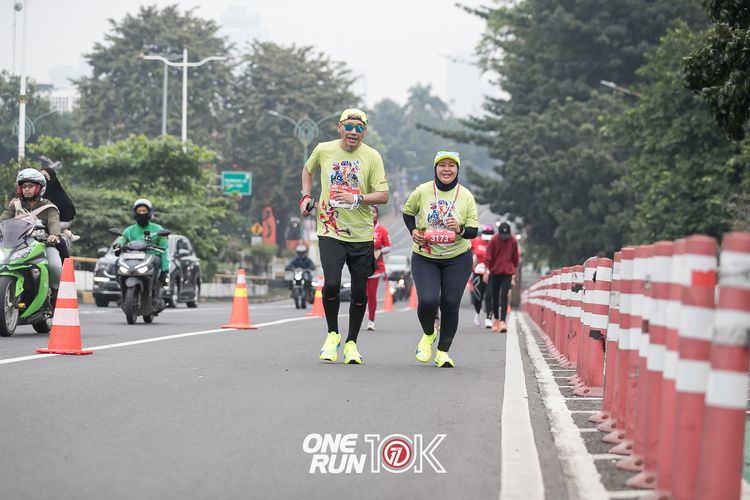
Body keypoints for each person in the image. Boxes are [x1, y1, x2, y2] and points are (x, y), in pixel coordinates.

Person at [299, 108, 389, 364]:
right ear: (339, 127)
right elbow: (308, 170)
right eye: (348, 126)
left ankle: (351, 343)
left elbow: (383, 195)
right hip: (330, 229)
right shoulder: (323, 150)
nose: (353, 132)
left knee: (359, 291)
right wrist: (305, 196)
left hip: (361, 234)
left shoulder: (372, 156)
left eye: (359, 128)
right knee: (331, 285)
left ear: (364, 132)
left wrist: (356, 198)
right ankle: (332, 335)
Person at [403, 151, 478, 368]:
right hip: (425, 256)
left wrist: (460, 229)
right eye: (442, 165)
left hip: (458, 257)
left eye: (451, 166)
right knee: (428, 301)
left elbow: (473, 230)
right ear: (435, 168)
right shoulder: (422, 191)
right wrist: (413, 230)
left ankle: (443, 352)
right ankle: (429, 333)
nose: (446, 169)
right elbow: (408, 213)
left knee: (450, 304)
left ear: (457, 170)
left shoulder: (465, 195)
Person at [0, 169, 62, 305]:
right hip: (16, 245)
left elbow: (54, 223)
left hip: (41, 245)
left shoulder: (49, 207)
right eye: (24, 186)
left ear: (39, 188)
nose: (26, 189)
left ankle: (55, 293)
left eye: (30, 186)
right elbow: (3, 221)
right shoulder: (15, 204)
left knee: (55, 266)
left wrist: (53, 235)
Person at [113, 199, 169, 287]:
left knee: (157, 260)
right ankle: (121, 286)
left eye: (144, 211)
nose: (142, 213)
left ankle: (154, 287)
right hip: (132, 258)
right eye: (139, 211)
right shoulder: (129, 230)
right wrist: (118, 245)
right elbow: (122, 240)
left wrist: (164, 270)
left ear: (149, 212)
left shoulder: (158, 229)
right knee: (118, 262)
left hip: (151, 257)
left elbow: (164, 249)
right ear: (135, 213)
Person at [483, 221, 519, 333]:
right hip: (495, 272)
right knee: (495, 297)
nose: (504, 238)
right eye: (502, 236)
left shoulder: (513, 241)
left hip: (507, 273)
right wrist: (486, 271)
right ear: (499, 233)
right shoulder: (494, 240)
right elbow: (488, 256)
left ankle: (503, 321)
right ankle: (496, 319)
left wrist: (514, 273)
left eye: (506, 235)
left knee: (504, 296)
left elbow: (515, 257)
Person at [366, 205, 391, 331]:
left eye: (374, 212)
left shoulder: (381, 229)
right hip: (360, 266)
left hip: (376, 268)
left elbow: (388, 247)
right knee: (359, 294)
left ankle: (371, 320)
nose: (372, 214)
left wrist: (380, 251)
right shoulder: (361, 227)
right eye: (369, 212)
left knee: (371, 295)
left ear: (377, 214)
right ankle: (356, 318)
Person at [470, 224, 495, 328]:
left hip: (491, 273)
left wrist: (488, 271)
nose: (487, 240)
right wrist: (472, 260)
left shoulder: (495, 243)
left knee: (489, 296)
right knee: (478, 296)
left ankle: (489, 318)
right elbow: (466, 249)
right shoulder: (476, 241)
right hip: (478, 272)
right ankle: (477, 313)